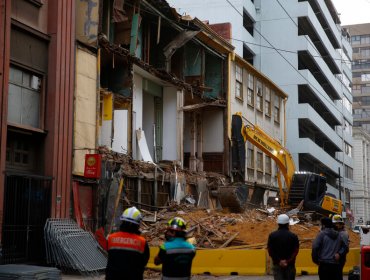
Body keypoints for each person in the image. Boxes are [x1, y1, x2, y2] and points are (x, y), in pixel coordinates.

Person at [105, 206, 149, 280]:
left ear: (122, 221)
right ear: (138, 224)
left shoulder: (111, 238)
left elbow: (110, 255)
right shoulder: (142, 242)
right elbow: (144, 261)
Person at [267, 214, 299, 280]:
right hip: (290, 265)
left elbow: (270, 250)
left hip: (277, 264)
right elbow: (296, 251)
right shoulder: (293, 236)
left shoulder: (272, 235)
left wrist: (279, 261)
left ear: (278, 223)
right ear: (288, 224)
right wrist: (287, 261)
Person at [332, 214, 349, 280]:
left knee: (337, 275)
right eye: (335, 224)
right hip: (333, 258)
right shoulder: (335, 232)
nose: (336, 225)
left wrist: (339, 253)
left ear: (341, 224)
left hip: (339, 259)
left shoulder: (343, 234)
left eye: (338, 224)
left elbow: (346, 247)